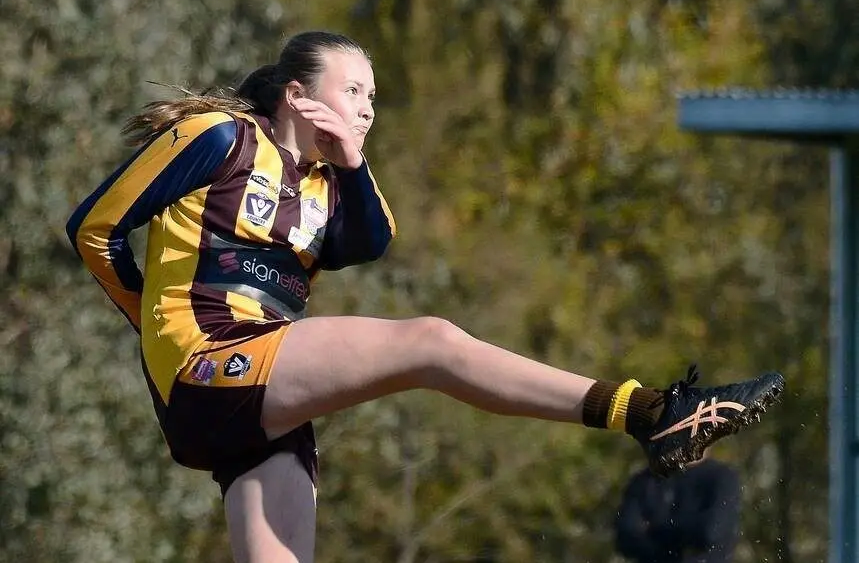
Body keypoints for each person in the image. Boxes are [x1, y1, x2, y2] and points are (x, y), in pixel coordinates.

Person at [65, 30, 785, 563]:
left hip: (263, 403)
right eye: (353, 92)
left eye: (373, 98)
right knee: (431, 341)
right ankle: (651, 412)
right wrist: (154, 327)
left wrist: (349, 159)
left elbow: (374, 239)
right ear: (296, 94)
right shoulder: (216, 137)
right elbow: (94, 229)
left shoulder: (329, 187)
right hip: (213, 364)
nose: (367, 109)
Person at [614, 450, 741, 563]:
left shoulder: (722, 478)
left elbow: (709, 532)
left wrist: (654, 529)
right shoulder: (645, 481)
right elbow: (625, 538)